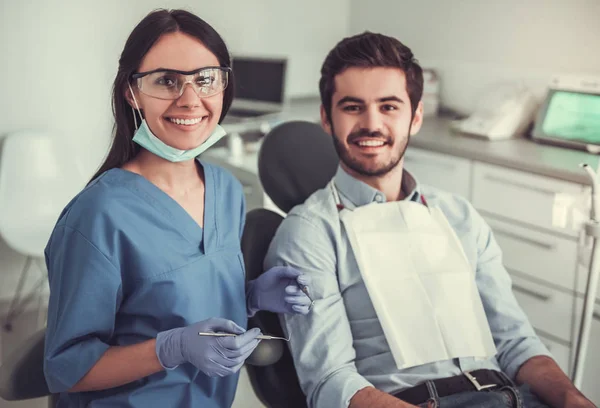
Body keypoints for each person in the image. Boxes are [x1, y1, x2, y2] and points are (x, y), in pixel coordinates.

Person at [264, 32, 596, 408]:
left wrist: (571, 397)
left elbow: (517, 343)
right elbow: (331, 383)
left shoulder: (457, 215)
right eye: (353, 107)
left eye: (389, 107)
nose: (371, 124)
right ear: (327, 117)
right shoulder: (310, 232)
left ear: (415, 116)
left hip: (513, 396)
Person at [43, 9, 312, 408]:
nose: (190, 99)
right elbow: (67, 369)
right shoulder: (98, 216)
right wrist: (169, 349)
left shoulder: (226, 190)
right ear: (132, 92)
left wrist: (250, 297)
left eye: (205, 79)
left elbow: (181, 300)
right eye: (167, 81)